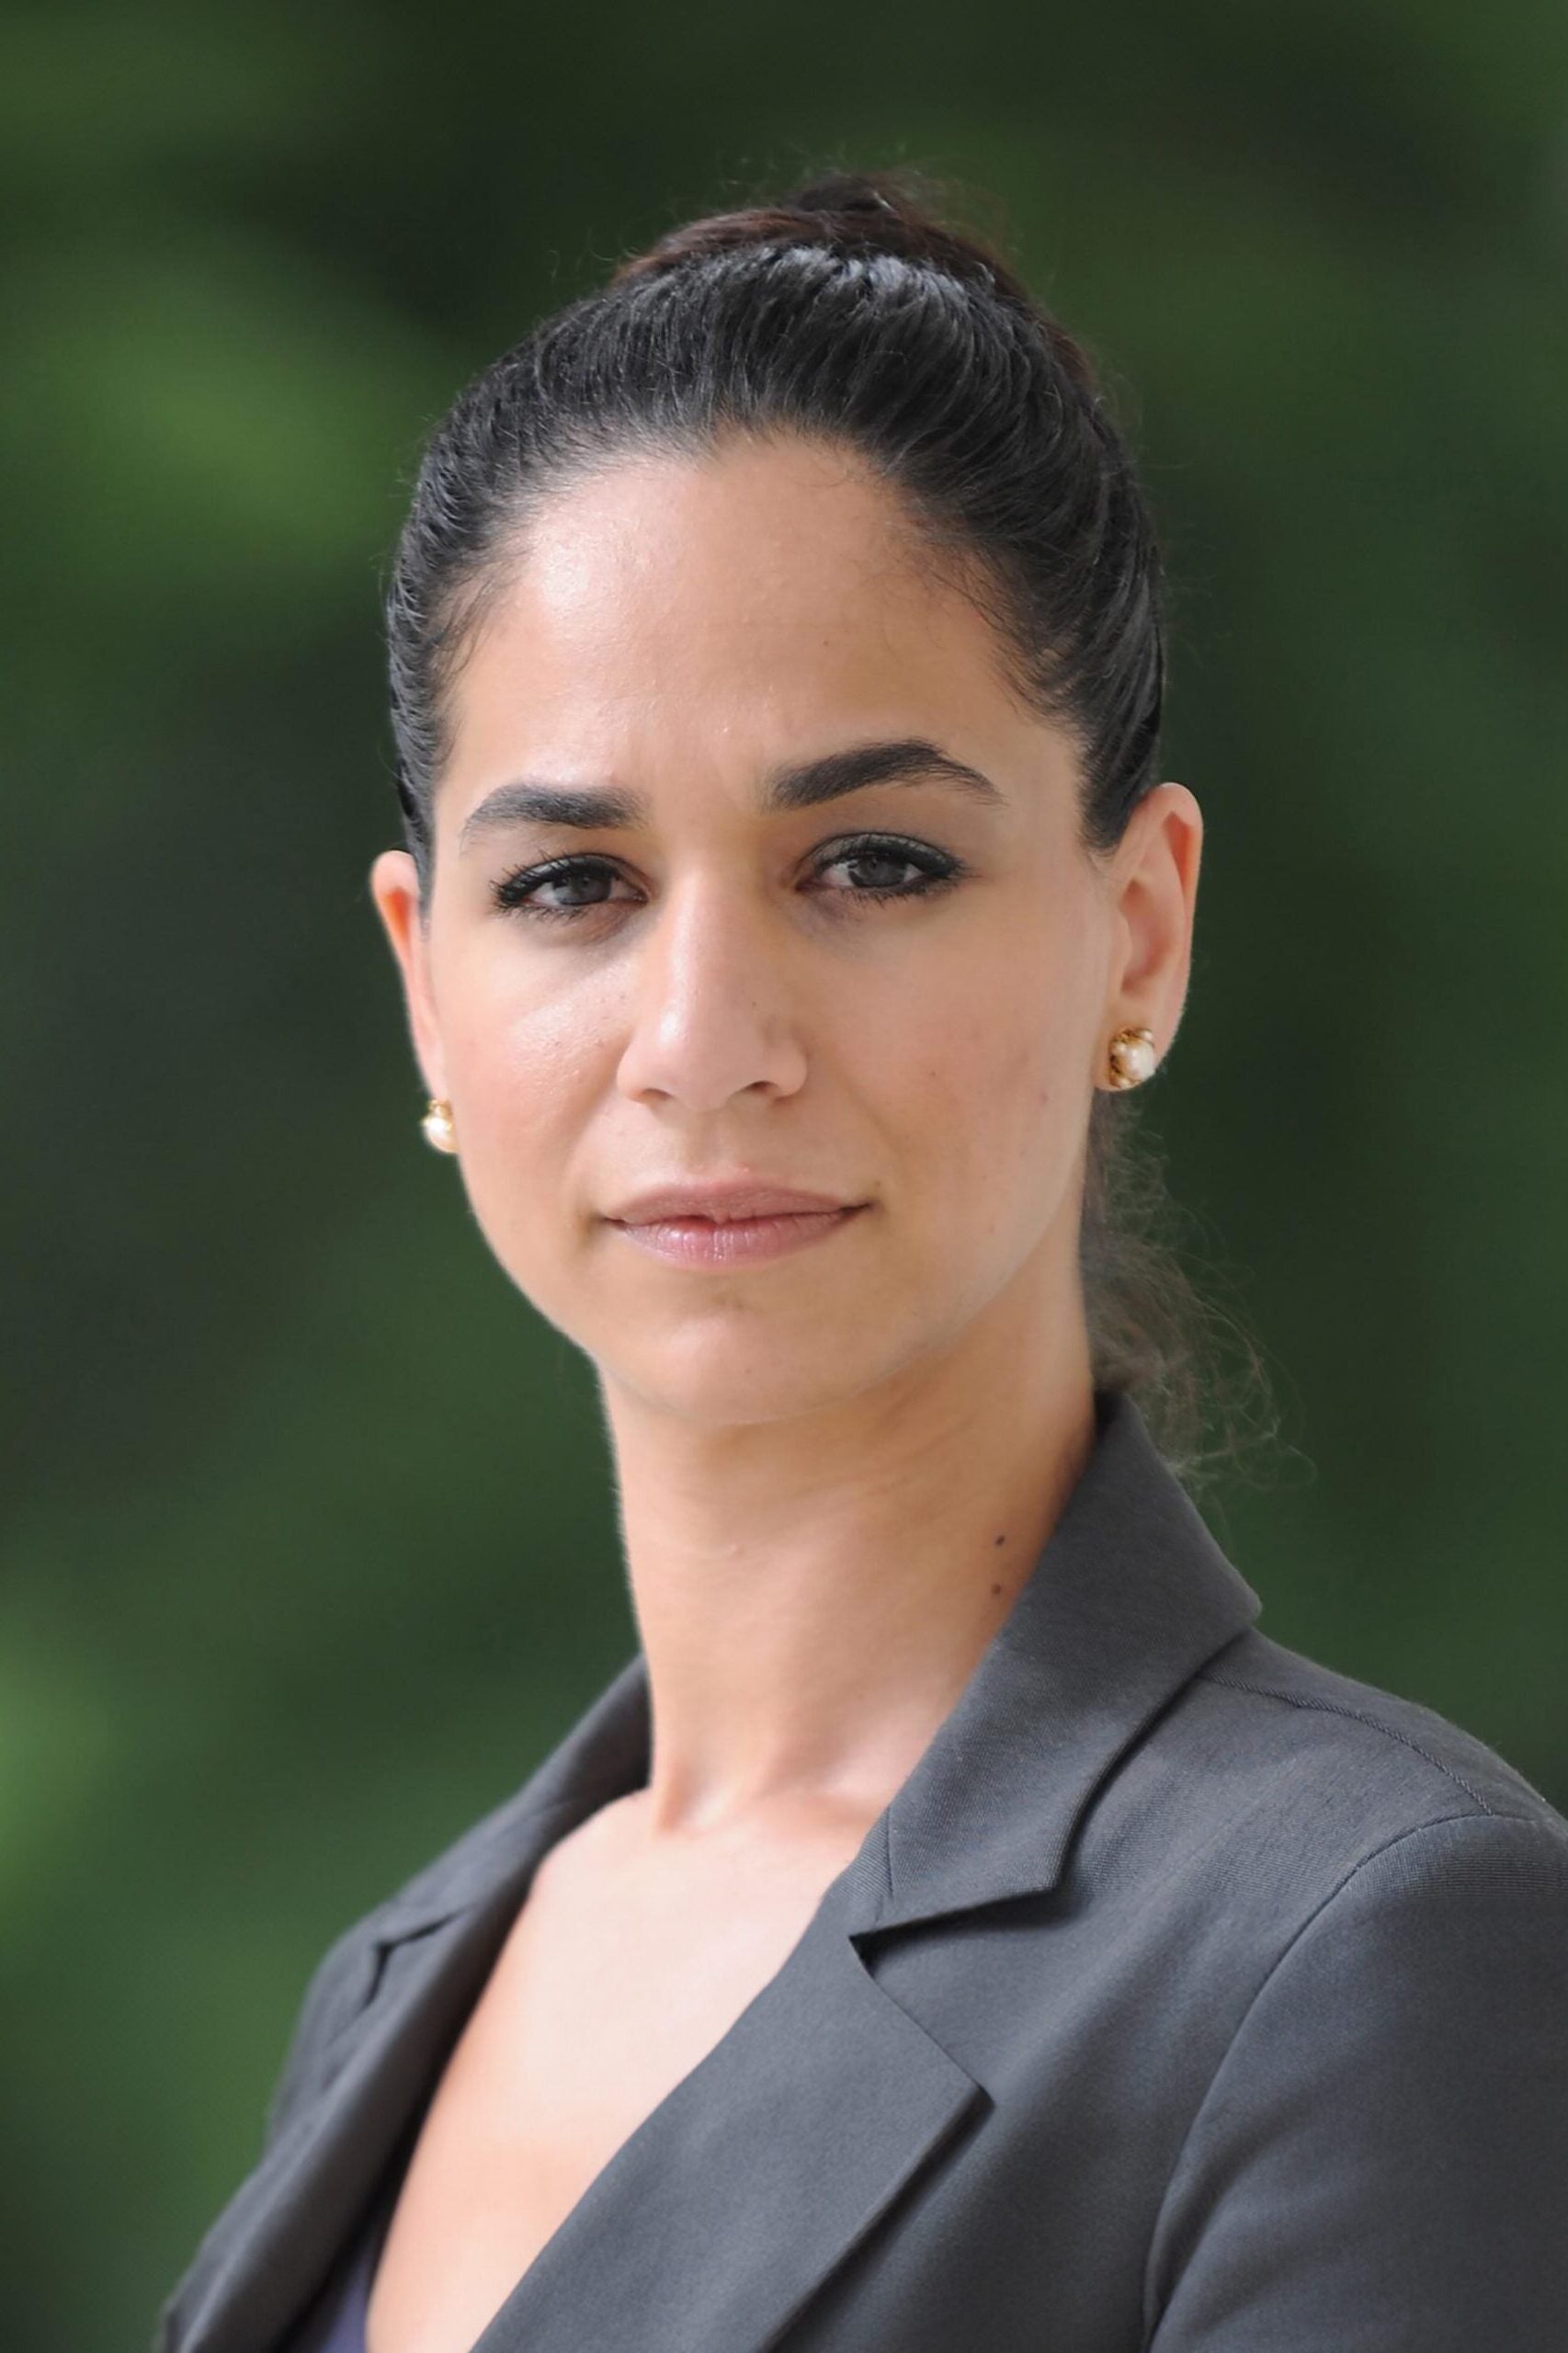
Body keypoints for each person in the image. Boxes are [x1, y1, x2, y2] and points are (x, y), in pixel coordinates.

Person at [153, 169, 1568, 2353]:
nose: (706, 1041)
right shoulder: (398, 1987)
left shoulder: (1363, 1942)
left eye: (872, 861)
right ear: (425, 980)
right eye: (572, 884)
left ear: (1140, 927)